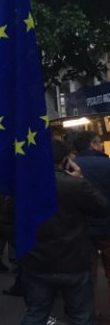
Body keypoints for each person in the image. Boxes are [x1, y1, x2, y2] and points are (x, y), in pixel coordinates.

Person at [19, 139, 110, 325]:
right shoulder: (74, 185)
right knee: (82, 316)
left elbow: (7, 221)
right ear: (66, 160)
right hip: (73, 259)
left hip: (37, 259)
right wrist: (80, 179)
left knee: (36, 313)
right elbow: (103, 207)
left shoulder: (24, 187)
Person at [72, 131, 110, 319]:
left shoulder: (71, 167)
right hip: (107, 225)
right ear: (93, 144)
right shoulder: (107, 164)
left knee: (89, 275)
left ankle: (92, 313)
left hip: (82, 228)